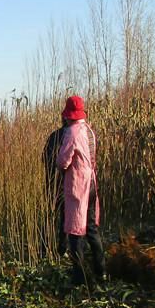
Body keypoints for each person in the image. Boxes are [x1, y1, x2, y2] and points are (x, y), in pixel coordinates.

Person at [56, 96, 105, 286]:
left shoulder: (72, 132)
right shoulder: (89, 130)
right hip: (92, 184)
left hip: (78, 185)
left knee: (76, 230)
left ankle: (79, 277)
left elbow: (63, 161)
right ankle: (101, 270)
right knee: (92, 228)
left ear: (69, 115)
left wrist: (60, 168)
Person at [42, 121, 68, 256]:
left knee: (49, 216)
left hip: (51, 182)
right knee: (65, 217)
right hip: (65, 184)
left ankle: (44, 247)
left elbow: (44, 158)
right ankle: (62, 248)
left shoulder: (53, 136)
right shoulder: (70, 137)